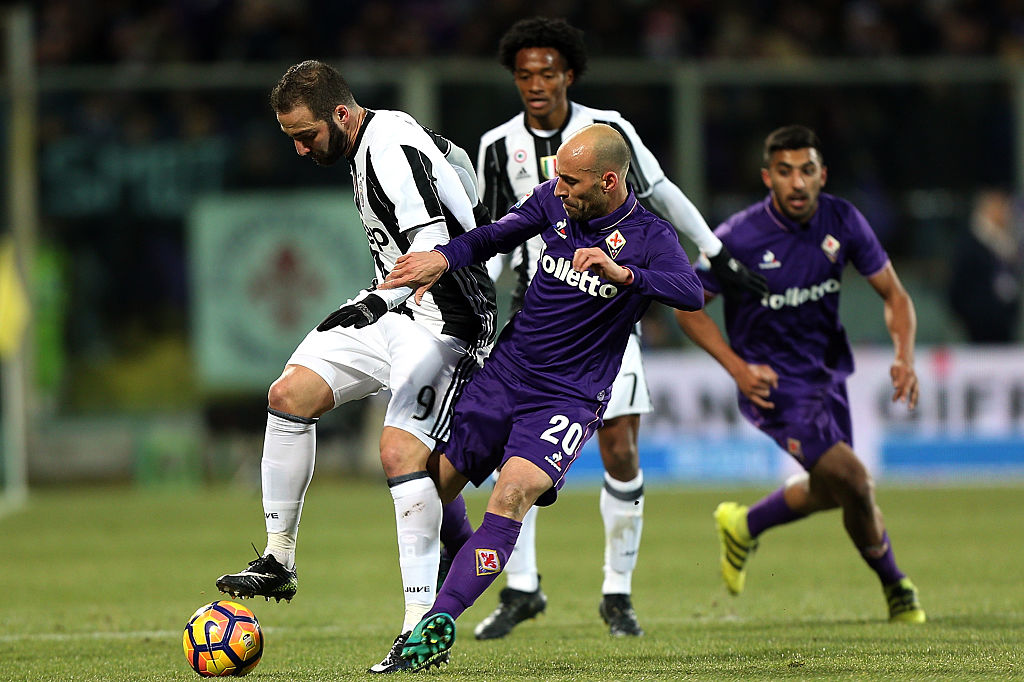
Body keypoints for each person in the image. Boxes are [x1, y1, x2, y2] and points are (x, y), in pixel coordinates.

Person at [473, 16, 769, 639]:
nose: (535, 83)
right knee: (510, 454)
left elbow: (660, 192)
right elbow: (497, 232)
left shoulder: (608, 131)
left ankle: (617, 594)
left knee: (621, 448)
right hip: (535, 319)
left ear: (568, 75)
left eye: (546, 72)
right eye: (524, 73)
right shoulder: (496, 146)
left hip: (607, 314)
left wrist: (714, 252)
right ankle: (522, 588)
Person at [374, 123, 705, 671]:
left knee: (511, 498)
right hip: (508, 373)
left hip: (570, 397)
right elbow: (494, 236)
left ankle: (439, 621)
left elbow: (690, 292)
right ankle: (463, 558)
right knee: (432, 491)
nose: (560, 187)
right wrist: (444, 258)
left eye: (572, 182)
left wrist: (623, 274)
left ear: (608, 180)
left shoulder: (650, 237)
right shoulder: (554, 200)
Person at [212, 59, 498, 674]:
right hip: (397, 306)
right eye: (289, 136)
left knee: (399, 454)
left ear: (341, 115)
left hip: (445, 315)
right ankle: (278, 559)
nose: (297, 148)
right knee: (289, 394)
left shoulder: (387, 150)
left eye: (306, 135)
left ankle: (419, 626)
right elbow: (458, 165)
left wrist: (376, 300)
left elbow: (428, 253)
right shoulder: (383, 132)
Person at [673, 124, 926, 623]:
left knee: (835, 491)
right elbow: (687, 307)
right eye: (785, 172)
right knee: (854, 480)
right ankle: (898, 588)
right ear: (768, 178)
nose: (797, 183)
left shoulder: (843, 219)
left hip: (826, 375)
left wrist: (905, 356)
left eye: (807, 171)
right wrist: (738, 369)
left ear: (822, 175)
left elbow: (895, 294)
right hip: (773, 384)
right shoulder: (738, 238)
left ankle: (745, 524)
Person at [948, 188, 1022, 343]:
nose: (1005, 210)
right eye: (999, 205)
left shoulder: (1010, 242)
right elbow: (957, 288)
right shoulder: (969, 242)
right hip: (976, 328)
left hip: (1005, 326)